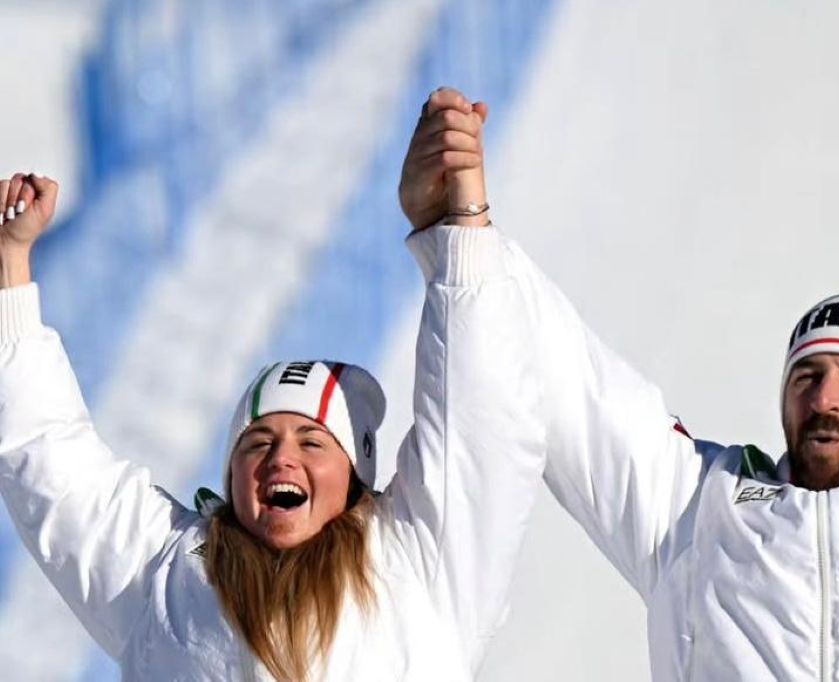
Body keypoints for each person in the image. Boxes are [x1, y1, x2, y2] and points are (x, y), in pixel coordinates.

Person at [401, 88, 839, 681]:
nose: (824, 397)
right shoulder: (700, 510)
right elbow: (565, 376)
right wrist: (458, 227)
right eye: (806, 376)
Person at [0, 104, 543, 681]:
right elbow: (47, 461)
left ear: (355, 475)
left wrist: (461, 224)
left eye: (312, 442)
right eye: (257, 442)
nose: (281, 458)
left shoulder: (420, 560)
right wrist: (8, 264)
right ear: (231, 475)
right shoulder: (166, 571)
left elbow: (478, 424)